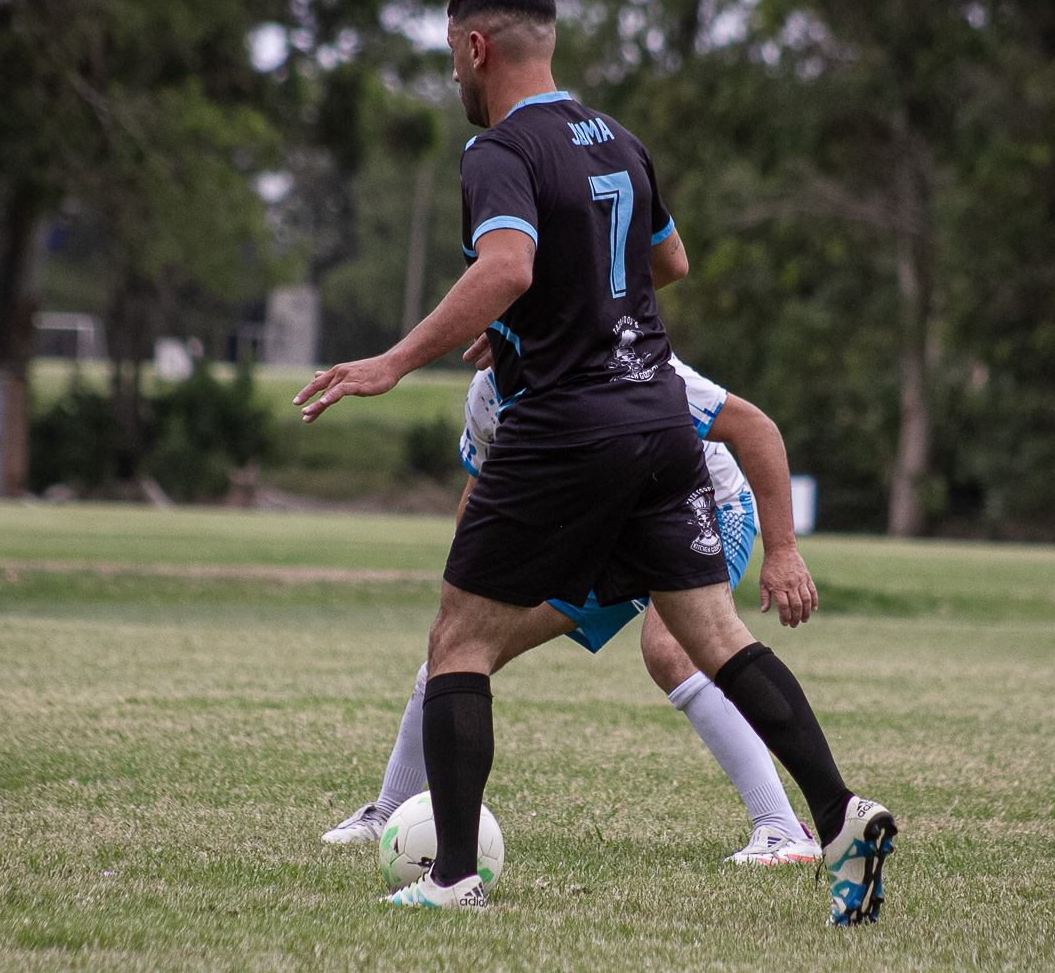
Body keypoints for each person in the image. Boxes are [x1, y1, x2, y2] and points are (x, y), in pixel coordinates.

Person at [295, 0, 895, 924]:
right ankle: (839, 813)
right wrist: (559, 308)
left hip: (567, 428)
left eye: (451, 54)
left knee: (459, 642)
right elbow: (668, 261)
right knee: (716, 638)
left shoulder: (498, 149)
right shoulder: (617, 138)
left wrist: (395, 361)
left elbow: (507, 266)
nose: (452, 73)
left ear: (476, 48)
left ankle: (453, 878)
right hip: (658, 417)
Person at [323, 355, 823, 866]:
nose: (474, 331)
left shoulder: (619, 353)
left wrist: (782, 550)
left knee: (670, 650)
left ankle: (783, 828)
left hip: (704, 506)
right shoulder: (487, 393)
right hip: (594, 526)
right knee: (459, 644)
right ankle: (389, 810)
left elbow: (755, 428)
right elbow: (477, 495)